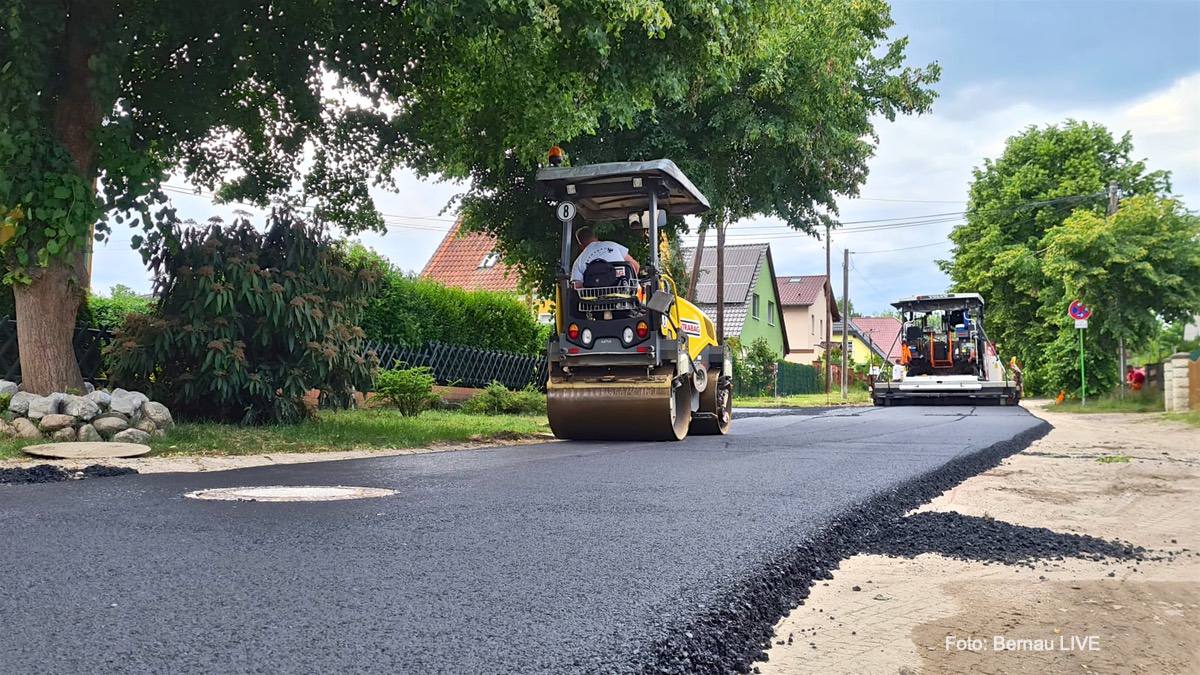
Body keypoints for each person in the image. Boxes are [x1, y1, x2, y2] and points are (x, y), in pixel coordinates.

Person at [570, 226, 640, 288]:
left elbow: (577, 285)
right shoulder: (613, 245)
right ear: (596, 237)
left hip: (595, 299)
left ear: (580, 245)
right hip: (624, 293)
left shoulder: (579, 260)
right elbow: (635, 266)